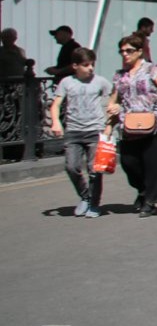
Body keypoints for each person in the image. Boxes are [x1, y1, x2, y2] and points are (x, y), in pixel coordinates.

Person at [111, 33, 157, 215]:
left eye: (129, 50)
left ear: (139, 51)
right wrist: (112, 110)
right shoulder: (119, 76)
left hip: (154, 124)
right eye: (122, 51)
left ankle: (150, 201)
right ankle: (142, 189)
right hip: (128, 125)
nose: (125, 54)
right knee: (128, 162)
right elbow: (114, 99)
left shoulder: (151, 69)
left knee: (152, 164)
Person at [47, 46, 113, 216]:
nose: (90, 68)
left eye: (92, 64)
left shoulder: (100, 81)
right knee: (71, 167)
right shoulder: (66, 82)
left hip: (95, 130)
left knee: (94, 169)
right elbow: (56, 104)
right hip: (73, 131)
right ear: (75, 66)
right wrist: (55, 122)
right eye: (86, 65)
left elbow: (114, 97)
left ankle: (94, 204)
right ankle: (85, 197)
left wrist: (111, 121)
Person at [0, 28, 34, 161]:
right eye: (5, 37)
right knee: (7, 117)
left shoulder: (20, 51)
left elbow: (25, 65)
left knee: (20, 117)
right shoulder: (1, 52)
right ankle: (8, 150)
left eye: (11, 37)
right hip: (6, 89)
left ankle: (18, 149)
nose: (7, 40)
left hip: (19, 89)